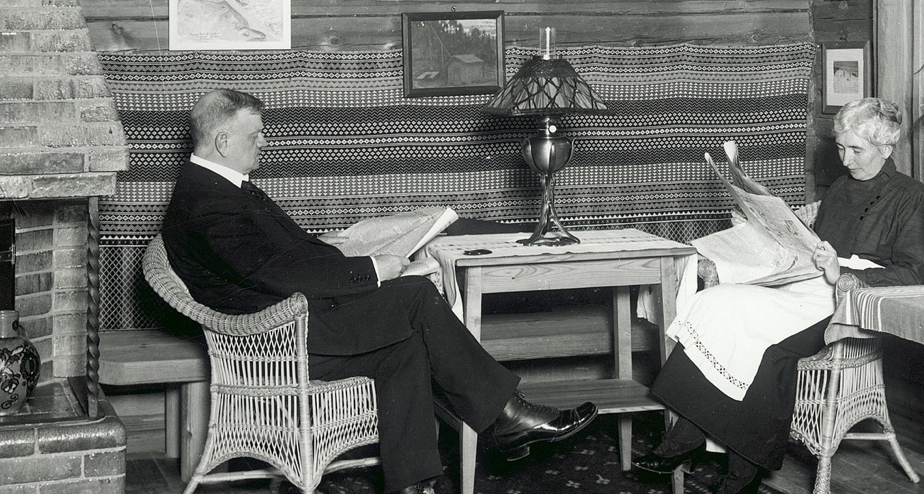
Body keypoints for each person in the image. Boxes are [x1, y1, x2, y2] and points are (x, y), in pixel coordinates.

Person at [161, 89, 599, 494]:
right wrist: (374, 268)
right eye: (255, 134)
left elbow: (271, 256)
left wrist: (337, 249)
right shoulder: (207, 201)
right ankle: (506, 416)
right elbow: (277, 273)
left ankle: (414, 484)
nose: (264, 142)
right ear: (222, 141)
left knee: (405, 347)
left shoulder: (216, 187)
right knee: (416, 296)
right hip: (272, 340)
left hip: (294, 320)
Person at [632, 98, 924, 494]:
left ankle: (737, 473)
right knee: (716, 304)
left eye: (856, 150)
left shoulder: (912, 196)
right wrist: (764, 230)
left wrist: (840, 273)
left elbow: (913, 274)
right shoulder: (842, 186)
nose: (844, 160)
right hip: (806, 284)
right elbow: (811, 245)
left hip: (850, 301)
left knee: (765, 347)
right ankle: (685, 441)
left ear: (886, 149)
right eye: (841, 147)